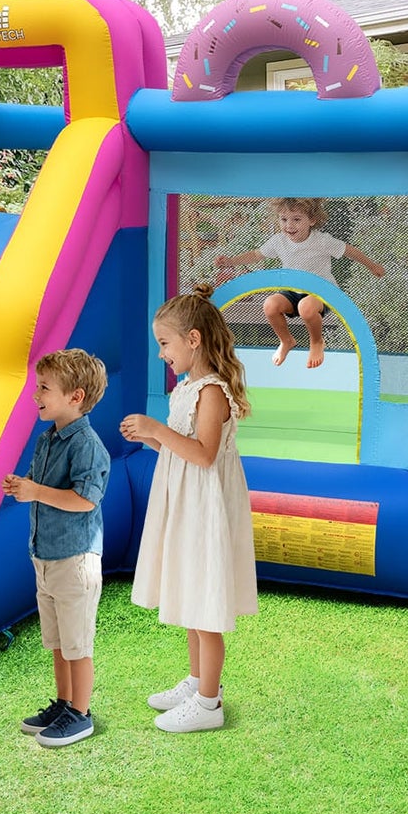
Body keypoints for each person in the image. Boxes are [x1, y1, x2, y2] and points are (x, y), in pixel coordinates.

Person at [120, 285, 257, 734]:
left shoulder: (211, 392)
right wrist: (154, 439)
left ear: (193, 340)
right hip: (186, 504)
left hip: (205, 510)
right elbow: (180, 452)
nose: (161, 353)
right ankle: (198, 681)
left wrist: (158, 428)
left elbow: (202, 455)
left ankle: (209, 703)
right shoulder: (187, 388)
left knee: (205, 607)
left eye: (165, 343)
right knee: (190, 595)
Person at [3, 349, 112, 749]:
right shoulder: (47, 439)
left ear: (75, 397)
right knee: (58, 641)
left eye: (45, 388)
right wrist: (23, 487)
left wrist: (36, 491)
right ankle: (65, 703)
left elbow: (85, 499)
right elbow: (39, 487)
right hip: (45, 557)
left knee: (77, 644)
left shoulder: (87, 445)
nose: (36, 394)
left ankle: (81, 715)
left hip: (74, 559)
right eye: (38, 386)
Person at [215, 197, 386, 368]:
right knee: (270, 305)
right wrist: (231, 261)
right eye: (284, 219)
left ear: (312, 220)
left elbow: (349, 251)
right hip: (292, 292)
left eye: (296, 219)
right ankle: (286, 341)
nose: (289, 225)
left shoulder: (322, 241)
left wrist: (372, 266)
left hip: (321, 293)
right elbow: (256, 255)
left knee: (306, 307)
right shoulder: (278, 241)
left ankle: (317, 342)